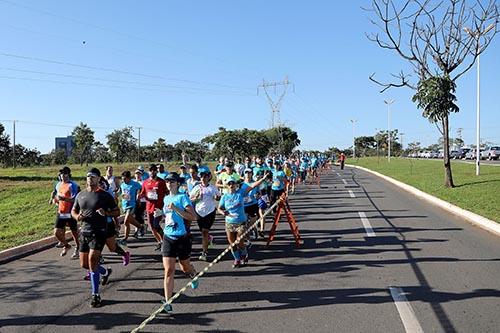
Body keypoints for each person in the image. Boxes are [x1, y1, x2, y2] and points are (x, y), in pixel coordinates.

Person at [72, 167, 120, 308]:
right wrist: (77, 216)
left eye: (93, 176)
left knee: (92, 263)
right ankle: (105, 271)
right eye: (88, 176)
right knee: (84, 264)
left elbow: (117, 211)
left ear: (99, 178)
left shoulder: (105, 195)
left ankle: (96, 295)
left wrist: (106, 213)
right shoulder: (80, 195)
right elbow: (73, 210)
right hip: (84, 233)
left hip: (99, 233)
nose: (90, 178)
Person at [157, 172, 199, 313]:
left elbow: (193, 217)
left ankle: (192, 273)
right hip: (168, 237)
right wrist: (160, 214)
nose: (169, 183)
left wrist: (176, 208)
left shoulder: (182, 197)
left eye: (172, 181)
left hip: (182, 238)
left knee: (184, 268)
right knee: (169, 270)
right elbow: (168, 216)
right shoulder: (166, 198)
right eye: (167, 181)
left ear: (178, 183)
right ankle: (168, 302)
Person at [218, 173, 269, 268]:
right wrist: (223, 212)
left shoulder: (240, 193)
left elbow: (253, 185)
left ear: (236, 184)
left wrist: (262, 179)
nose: (231, 185)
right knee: (232, 243)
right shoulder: (224, 196)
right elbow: (219, 208)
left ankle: (244, 253)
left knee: (239, 241)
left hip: (241, 222)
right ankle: (237, 259)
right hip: (229, 223)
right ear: (226, 185)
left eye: (233, 183)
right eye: (229, 184)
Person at [190, 166, 220, 261]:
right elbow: (190, 198)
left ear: (209, 177)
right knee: (203, 232)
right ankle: (209, 239)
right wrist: (196, 198)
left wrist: (216, 197)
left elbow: (218, 197)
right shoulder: (196, 188)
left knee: (204, 232)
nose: (203, 178)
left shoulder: (212, 188)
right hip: (199, 212)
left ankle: (204, 253)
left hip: (210, 212)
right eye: (202, 176)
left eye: (205, 176)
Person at [50, 166, 80, 259]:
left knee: (74, 232)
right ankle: (66, 245)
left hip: (71, 212)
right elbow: (55, 193)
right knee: (56, 232)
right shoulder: (58, 184)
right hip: (61, 212)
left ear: (69, 175)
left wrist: (64, 199)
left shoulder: (73, 185)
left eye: (66, 174)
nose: (64, 176)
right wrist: (54, 200)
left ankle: (78, 248)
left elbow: (76, 199)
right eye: (62, 174)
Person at [140, 164, 167, 250]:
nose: (152, 172)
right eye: (150, 170)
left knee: (156, 225)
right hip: (149, 207)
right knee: (151, 226)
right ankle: (160, 242)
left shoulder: (161, 182)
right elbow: (143, 193)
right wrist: (139, 196)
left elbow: (167, 192)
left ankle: (165, 242)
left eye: (154, 170)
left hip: (158, 207)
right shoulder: (145, 182)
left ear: (156, 171)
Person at [118, 171, 144, 245]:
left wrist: (138, 195)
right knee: (128, 220)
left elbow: (141, 189)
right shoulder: (122, 184)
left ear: (129, 178)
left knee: (126, 221)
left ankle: (125, 239)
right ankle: (140, 226)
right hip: (124, 205)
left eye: (125, 179)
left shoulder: (135, 184)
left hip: (132, 205)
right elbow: (120, 192)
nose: (123, 180)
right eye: (122, 179)